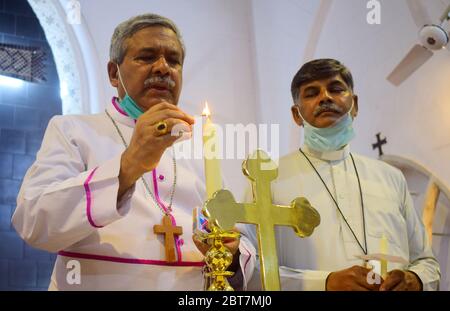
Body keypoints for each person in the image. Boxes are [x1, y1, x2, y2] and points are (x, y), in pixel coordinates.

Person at [12, 13, 254, 290]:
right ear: (114, 74)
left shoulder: (199, 146)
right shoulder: (74, 131)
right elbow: (34, 222)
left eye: (174, 60)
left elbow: (242, 243)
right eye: (147, 57)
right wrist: (128, 167)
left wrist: (233, 255)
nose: (163, 67)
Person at [241, 58, 440, 291]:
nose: (325, 97)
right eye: (311, 93)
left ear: (354, 104)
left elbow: (427, 263)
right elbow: (248, 272)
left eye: (336, 89)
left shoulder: (391, 177)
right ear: (296, 115)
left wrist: (415, 280)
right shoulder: (268, 179)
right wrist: (325, 284)